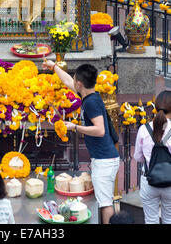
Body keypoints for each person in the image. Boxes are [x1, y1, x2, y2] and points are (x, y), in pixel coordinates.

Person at [42, 60, 119, 224]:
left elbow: (100, 130)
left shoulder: (91, 102)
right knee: (104, 201)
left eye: (75, 78)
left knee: (105, 204)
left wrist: (75, 127)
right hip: (103, 158)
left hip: (104, 160)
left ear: (80, 83)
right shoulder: (88, 95)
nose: (72, 81)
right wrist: (54, 66)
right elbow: (67, 81)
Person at [134, 90, 171, 224]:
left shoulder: (144, 129)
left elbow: (138, 157)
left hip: (149, 180)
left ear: (155, 107)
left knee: (150, 220)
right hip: (170, 183)